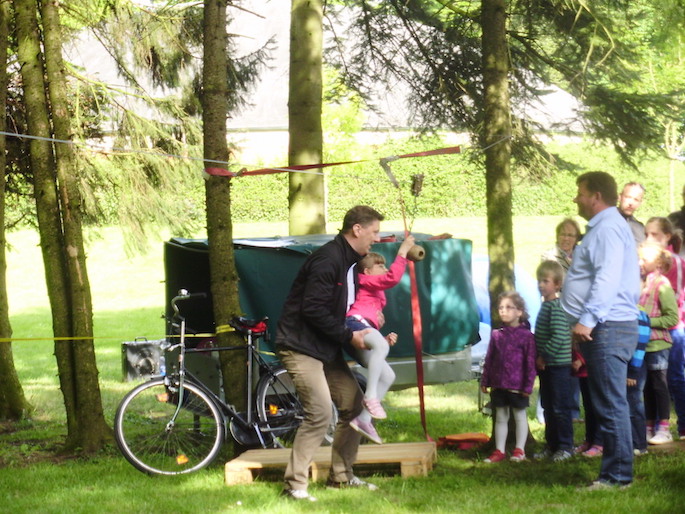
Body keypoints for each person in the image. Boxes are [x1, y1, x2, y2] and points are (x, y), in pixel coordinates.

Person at [274, 205, 384, 501]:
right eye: (374, 232)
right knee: (320, 413)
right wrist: (349, 336)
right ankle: (294, 486)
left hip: (325, 346)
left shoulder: (350, 262)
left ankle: (342, 477)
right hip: (300, 345)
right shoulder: (328, 259)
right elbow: (313, 309)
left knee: (354, 404)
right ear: (357, 229)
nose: (376, 238)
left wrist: (367, 322)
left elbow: (343, 308)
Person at [560, 171, 640, 490]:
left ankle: (617, 477)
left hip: (608, 327)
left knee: (610, 403)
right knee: (608, 402)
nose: (576, 198)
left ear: (595, 196)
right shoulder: (604, 227)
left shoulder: (607, 228)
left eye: (580, 193)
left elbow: (607, 277)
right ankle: (615, 473)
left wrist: (588, 319)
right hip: (606, 327)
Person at [344, 235, 415, 444]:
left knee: (388, 376)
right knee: (381, 347)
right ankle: (370, 397)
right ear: (367, 272)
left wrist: (381, 338)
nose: (384, 269)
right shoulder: (363, 279)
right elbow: (391, 278)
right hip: (354, 324)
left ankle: (363, 420)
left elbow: (370, 320)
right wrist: (403, 252)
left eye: (385, 265)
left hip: (362, 328)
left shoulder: (375, 293)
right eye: (380, 266)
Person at [480, 291, 537, 463]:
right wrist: (485, 380)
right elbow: (490, 359)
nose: (503, 311)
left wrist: (528, 386)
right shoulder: (497, 335)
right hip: (498, 384)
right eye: (501, 308)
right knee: (500, 416)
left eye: (509, 307)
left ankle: (520, 450)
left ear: (519, 312)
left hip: (517, 386)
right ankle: (499, 450)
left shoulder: (527, 336)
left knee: (519, 416)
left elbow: (530, 363)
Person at [644, 216, 685, 441]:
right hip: (651, 333)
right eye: (646, 234)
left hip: (674, 328)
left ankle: (680, 426)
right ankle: (652, 425)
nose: (649, 238)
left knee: (674, 377)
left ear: (667, 236)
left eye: (654, 234)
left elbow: (675, 298)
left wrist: (651, 319)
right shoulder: (647, 262)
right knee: (652, 382)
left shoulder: (674, 262)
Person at [637, 242, 679, 445]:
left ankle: (664, 428)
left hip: (658, 346)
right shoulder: (642, 284)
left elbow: (672, 318)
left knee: (659, 386)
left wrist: (647, 322)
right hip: (642, 347)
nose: (640, 263)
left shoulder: (662, 285)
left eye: (644, 260)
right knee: (646, 388)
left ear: (659, 263)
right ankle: (648, 426)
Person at [534, 260, 574, 462]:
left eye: (546, 281)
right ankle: (552, 445)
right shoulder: (545, 306)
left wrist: (544, 356)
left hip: (558, 366)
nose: (541, 285)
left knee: (560, 407)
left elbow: (559, 336)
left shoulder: (556, 307)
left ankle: (566, 446)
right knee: (548, 406)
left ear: (557, 284)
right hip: (547, 367)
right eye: (539, 281)